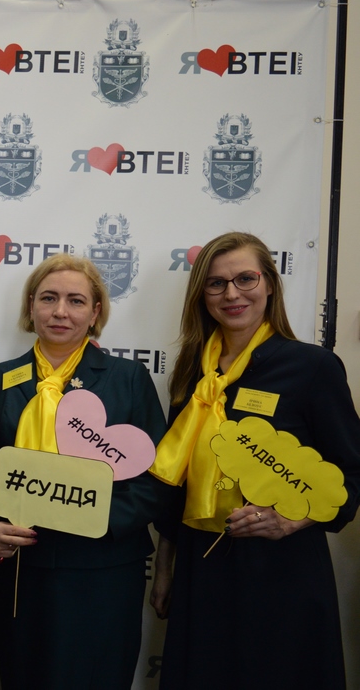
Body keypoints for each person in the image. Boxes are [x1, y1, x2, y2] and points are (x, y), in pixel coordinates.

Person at [149, 232, 360, 689]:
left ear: (269, 285)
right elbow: (175, 484)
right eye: (216, 283)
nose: (232, 294)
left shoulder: (313, 366)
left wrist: (290, 518)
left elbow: (351, 473)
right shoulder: (193, 371)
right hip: (202, 566)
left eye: (245, 279)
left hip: (281, 568)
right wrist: (164, 568)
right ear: (202, 294)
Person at [0, 253, 171, 689]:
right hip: (21, 567)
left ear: (95, 312)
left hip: (101, 569)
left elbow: (157, 478)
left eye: (76, 301)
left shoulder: (128, 378)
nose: (60, 311)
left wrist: (89, 516)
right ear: (31, 305)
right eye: (48, 298)